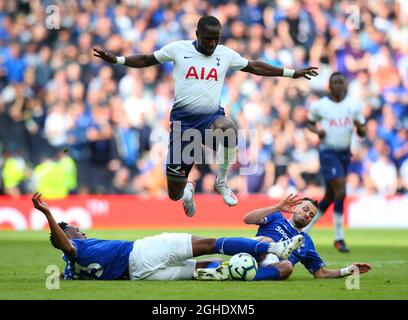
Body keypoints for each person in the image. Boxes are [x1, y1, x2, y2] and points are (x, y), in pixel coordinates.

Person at [93, 15, 318, 217]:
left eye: (216, 38)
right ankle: (188, 188)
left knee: (229, 127)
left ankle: (222, 180)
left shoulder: (225, 54)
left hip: (210, 118)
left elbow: (254, 66)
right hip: (183, 124)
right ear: (197, 34)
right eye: (207, 38)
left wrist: (291, 73)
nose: (212, 43)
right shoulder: (178, 49)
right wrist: (118, 60)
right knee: (174, 193)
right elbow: (146, 60)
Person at [31, 192, 303, 280]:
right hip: (141, 253)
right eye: (75, 231)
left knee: (204, 270)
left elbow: (64, 265)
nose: (82, 231)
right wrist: (48, 215)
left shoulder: (71, 271)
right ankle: (274, 250)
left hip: (137, 274)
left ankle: (274, 271)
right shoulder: (74, 249)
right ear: (67, 237)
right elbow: (66, 245)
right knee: (209, 244)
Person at [238, 194, 371, 281]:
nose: (308, 215)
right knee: (268, 241)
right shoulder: (277, 217)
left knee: (288, 266)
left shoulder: (306, 241)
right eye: (305, 209)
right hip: (254, 253)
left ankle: (243, 275)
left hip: (272, 265)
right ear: (295, 207)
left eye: (312, 215)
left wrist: (349, 270)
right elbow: (247, 219)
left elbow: (320, 273)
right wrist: (277, 207)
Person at [303, 72, 366, 252]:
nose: (338, 85)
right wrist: (317, 132)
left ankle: (304, 230)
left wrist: (360, 128)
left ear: (345, 85)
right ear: (329, 86)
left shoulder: (354, 105)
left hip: (345, 153)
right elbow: (309, 123)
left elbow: (362, 132)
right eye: (334, 83)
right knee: (342, 190)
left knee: (330, 196)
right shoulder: (320, 105)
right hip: (328, 152)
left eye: (341, 82)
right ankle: (339, 237)